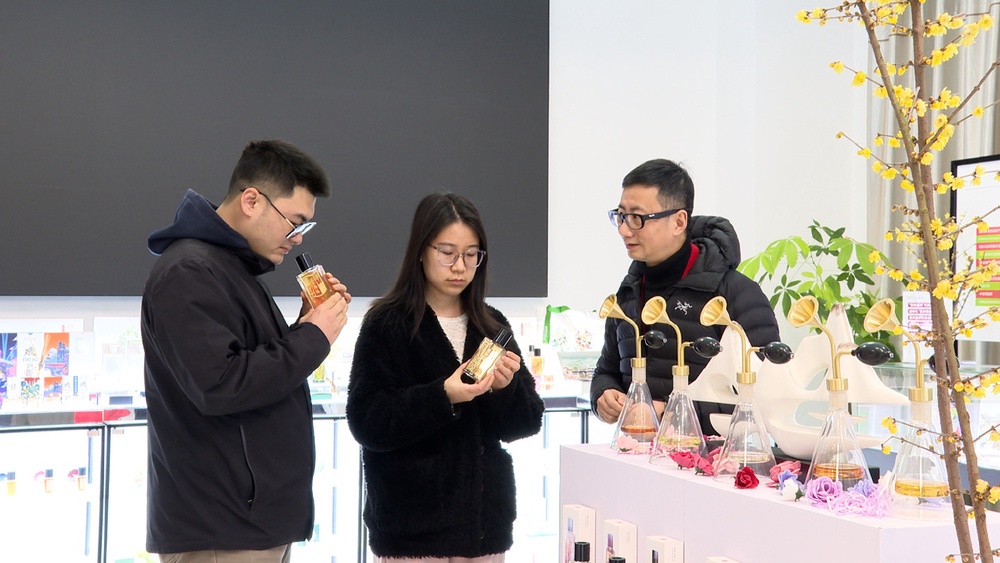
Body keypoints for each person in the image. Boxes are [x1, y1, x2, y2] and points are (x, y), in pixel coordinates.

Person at [141, 139, 350, 562]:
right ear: (252, 201)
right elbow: (222, 385)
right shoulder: (190, 271)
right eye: (294, 222)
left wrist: (306, 324)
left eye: (305, 228)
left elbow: (255, 367)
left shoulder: (227, 268)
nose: (297, 238)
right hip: (222, 528)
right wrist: (314, 335)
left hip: (248, 522)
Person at [346, 192, 544, 562]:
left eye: (471, 255)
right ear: (421, 251)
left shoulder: (492, 323)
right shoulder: (386, 323)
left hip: (484, 529)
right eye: (447, 252)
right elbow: (367, 421)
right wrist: (443, 396)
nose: (460, 267)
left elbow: (527, 422)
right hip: (413, 530)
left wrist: (505, 389)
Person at [590, 158, 780, 434]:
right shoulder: (628, 291)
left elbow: (766, 397)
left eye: (637, 218)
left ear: (679, 221)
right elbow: (606, 370)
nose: (624, 229)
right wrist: (603, 394)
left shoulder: (736, 294)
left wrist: (669, 412)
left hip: (713, 456)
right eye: (620, 216)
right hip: (638, 452)